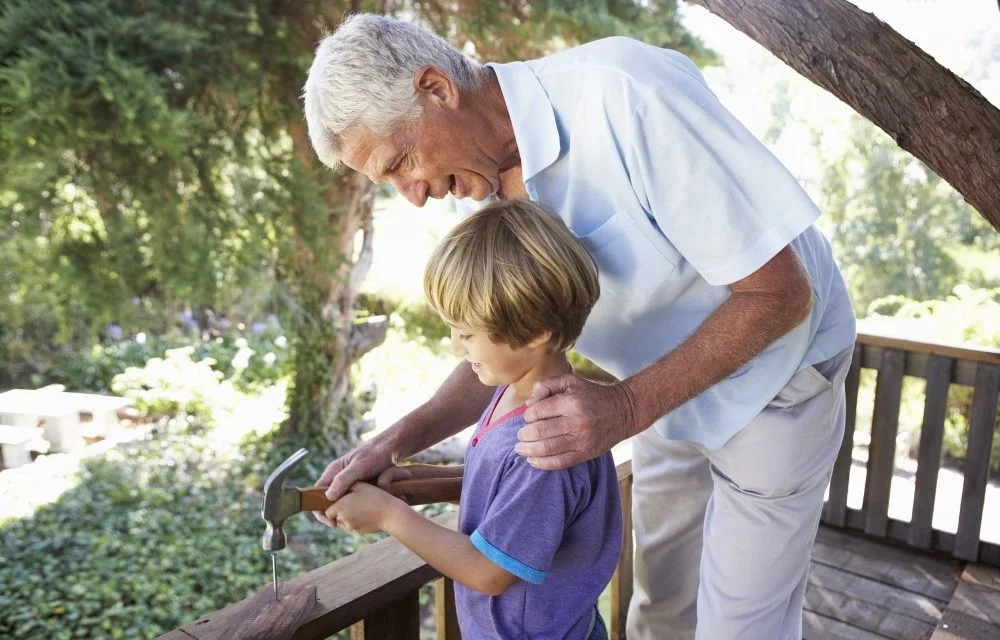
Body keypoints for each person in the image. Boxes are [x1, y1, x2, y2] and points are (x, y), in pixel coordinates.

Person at [303, 13, 857, 640]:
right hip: (658, 390)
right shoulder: (487, 183)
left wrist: (624, 408)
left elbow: (780, 293)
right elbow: (508, 337)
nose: (415, 195)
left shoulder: (625, 95)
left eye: (402, 162)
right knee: (661, 608)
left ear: (436, 88)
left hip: (774, 378)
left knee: (739, 628)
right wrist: (398, 440)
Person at [323, 199, 621, 639]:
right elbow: (507, 492)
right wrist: (419, 481)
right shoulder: (514, 393)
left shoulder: (548, 443)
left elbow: (489, 572)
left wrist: (389, 517)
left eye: (467, 333)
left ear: (537, 331)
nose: (455, 348)